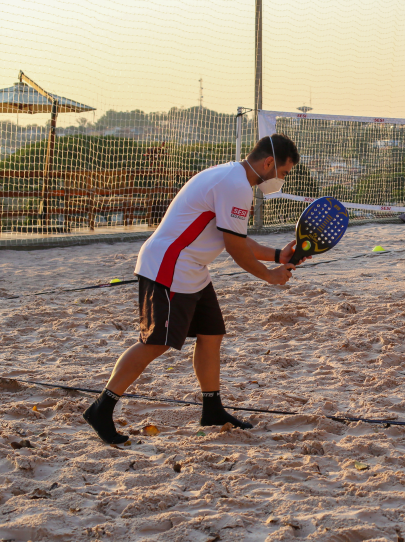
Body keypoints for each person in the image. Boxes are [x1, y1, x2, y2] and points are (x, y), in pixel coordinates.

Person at [83, 134, 306, 445]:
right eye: (283, 173)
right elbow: (236, 250)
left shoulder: (231, 175)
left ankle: (212, 409)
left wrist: (277, 256)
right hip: (170, 266)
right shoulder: (237, 186)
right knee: (155, 344)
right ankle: (101, 408)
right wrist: (269, 276)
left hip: (192, 269)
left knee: (212, 334)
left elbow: (237, 240)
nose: (281, 180)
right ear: (268, 163)